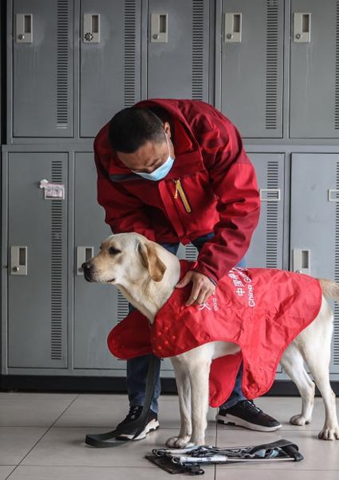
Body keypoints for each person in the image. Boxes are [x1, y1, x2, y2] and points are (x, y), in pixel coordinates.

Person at [93, 99, 282, 440]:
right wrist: (147, 258)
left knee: (233, 306)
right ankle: (143, 409)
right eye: (139, 171)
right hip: (152, 231)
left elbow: (242, 205)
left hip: (211, 223)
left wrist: (211, 268)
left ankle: (234, 402)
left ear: (167, 133)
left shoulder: (210, 130)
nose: (150, 173)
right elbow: (120, 211)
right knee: (149, 311)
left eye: (155, 163)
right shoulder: (107, 149)